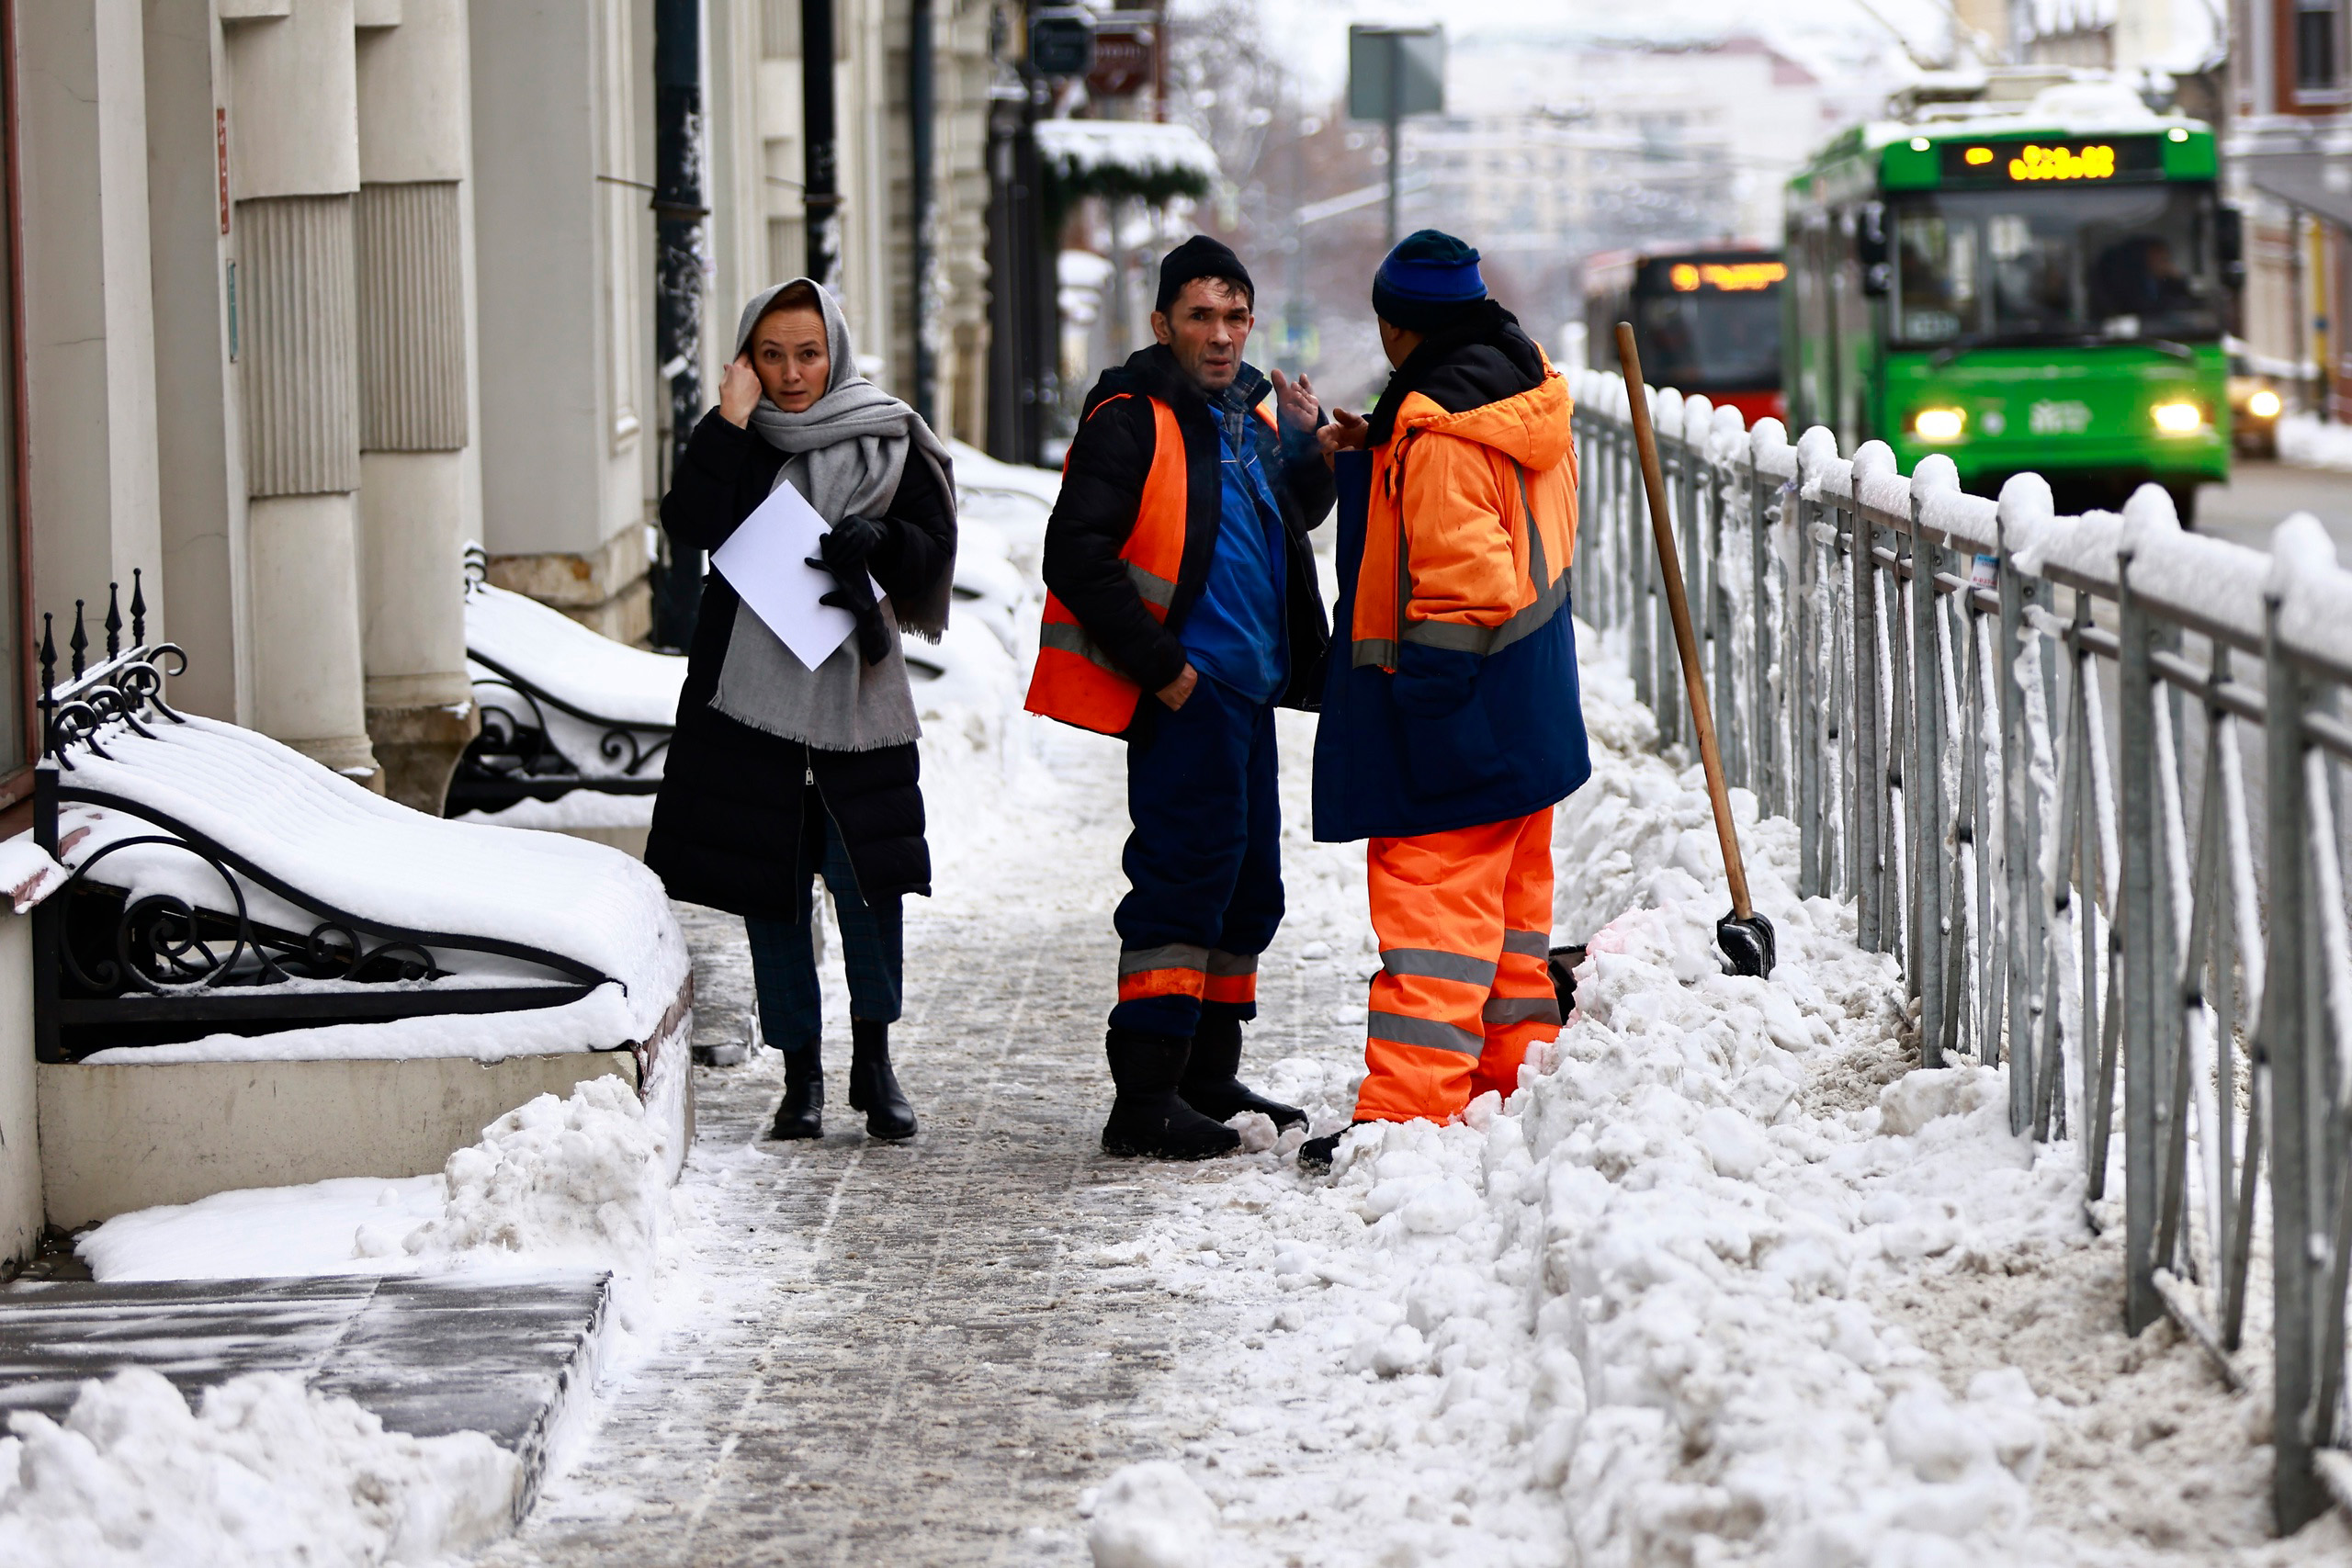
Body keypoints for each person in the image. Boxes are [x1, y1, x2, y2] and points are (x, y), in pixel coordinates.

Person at [1025, 235, 1334, 1160]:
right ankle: (1145, 1094)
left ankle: (1205, 1072)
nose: (1222, 334)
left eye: (1235, 315)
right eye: (1201, 315)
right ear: (1163, 324)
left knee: (1247, 887)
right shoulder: (1129, 417)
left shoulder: (1250, 416)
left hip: (1247, 692)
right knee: (1183, 881)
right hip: (1187, 693)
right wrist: (1162, 666)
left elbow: (1289, 517)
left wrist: (1310, 449)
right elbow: (1073, 554)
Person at [1301, 231, 1591, 1169]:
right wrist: (1374, 448)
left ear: (1400, 328)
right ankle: (1508, 1082)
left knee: (1433, 923)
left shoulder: (1438, 435)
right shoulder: (1518, 387)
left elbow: (1464, 590)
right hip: (1526, 706)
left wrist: (1422, 721)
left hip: (1458, 720)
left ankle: (1407, 1121)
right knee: (1508, 932)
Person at [648, 278, 956, 1144]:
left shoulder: (886, 432)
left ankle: (876, 1064)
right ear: (747, 359)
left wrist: (882, 540)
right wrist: (727, 418)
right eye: (772, 355)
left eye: (808, 353)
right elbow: (690, 520)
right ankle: (801, 1079)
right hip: (749, 708)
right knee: (772, 895)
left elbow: (934, 546)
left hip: (859, 702)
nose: (791, 373)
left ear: (836, 353)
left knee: (869, 890)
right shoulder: (740, 439)